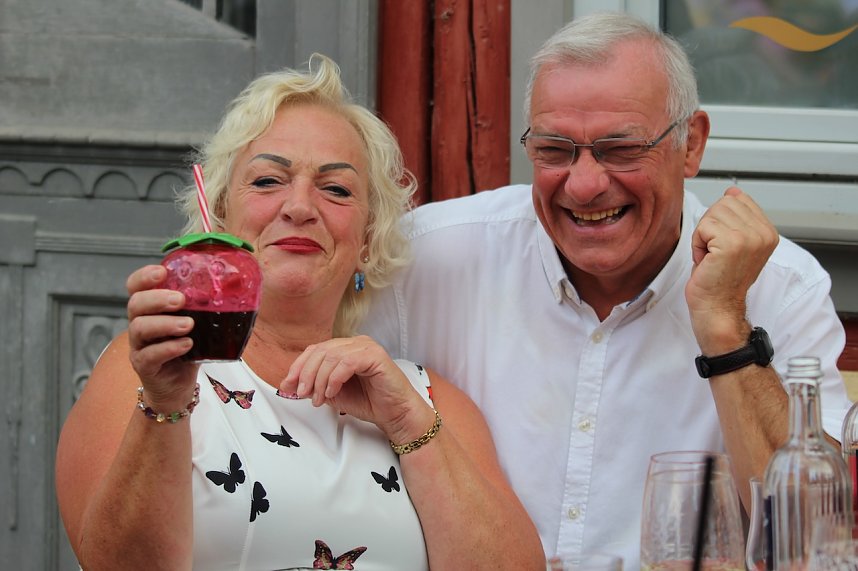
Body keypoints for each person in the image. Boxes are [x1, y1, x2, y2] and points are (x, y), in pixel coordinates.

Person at [360, 11, 852, 567]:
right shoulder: (425, 259)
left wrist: (725, 328)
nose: (585, 185)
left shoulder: (781, 288)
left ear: (691, 144)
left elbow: (809, 543)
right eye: (554, 149)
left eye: (621, 149)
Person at [55, 54, 545, 571]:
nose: (300, 207)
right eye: (268, 181)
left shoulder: (427, 401)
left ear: (368, 240)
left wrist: (406, 422)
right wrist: (166, 404)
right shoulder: (153, 374)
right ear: (218, 217)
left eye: (336, 189)